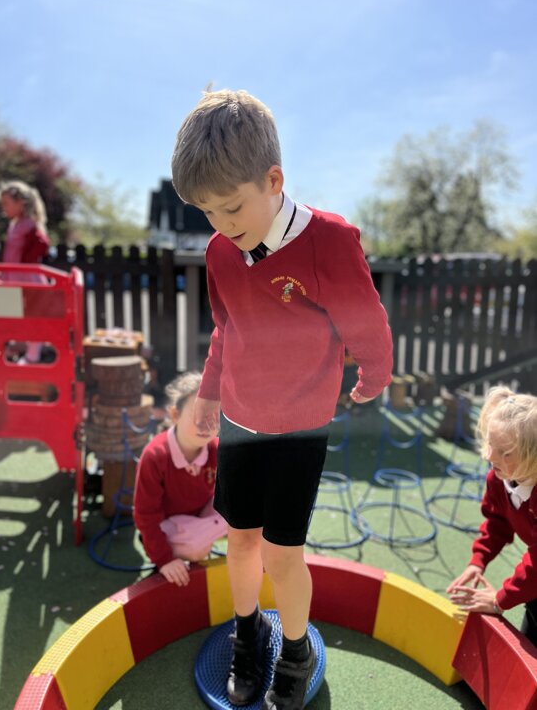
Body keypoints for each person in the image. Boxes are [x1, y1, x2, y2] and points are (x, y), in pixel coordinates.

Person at [172, 89, 393, 709]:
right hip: (240, 417)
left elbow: (366, 321)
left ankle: (295, 650)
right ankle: (248, 632)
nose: (222, 223)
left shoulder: (329, 241)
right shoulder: (220, 251)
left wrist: (375, 372)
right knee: (240, 538)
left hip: (300, 425)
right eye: (207, 212)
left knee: (282, 550)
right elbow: (226, 328)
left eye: (231, 206)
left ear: (274, 181)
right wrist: (210, 393)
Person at [447, 386, 537, 645]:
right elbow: (498, 522)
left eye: (505, 452)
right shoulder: (499, 479)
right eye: (490, 444)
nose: (489, 455)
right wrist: (479, 560)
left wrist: (500, 600)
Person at [133, 372, 228, 586]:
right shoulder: (156, 456)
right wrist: (165, 559)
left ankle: (214, 533)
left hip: (201, 516)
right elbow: (145, 515)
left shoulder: (217, 449)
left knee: (252, 507)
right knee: (196, 548)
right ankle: (186, 546)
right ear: (175, 415)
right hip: (168, 528)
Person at [0, 180, 50, 363]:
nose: (3, 208)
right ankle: (14, 347)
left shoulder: (28, 224)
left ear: (20, 203)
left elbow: (42, 243)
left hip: (25, 277)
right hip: (12, 277)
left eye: (6, 203)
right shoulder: (15, 224)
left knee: (31, 317)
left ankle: (32, 355)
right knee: (7, 315)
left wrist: (26, 262)